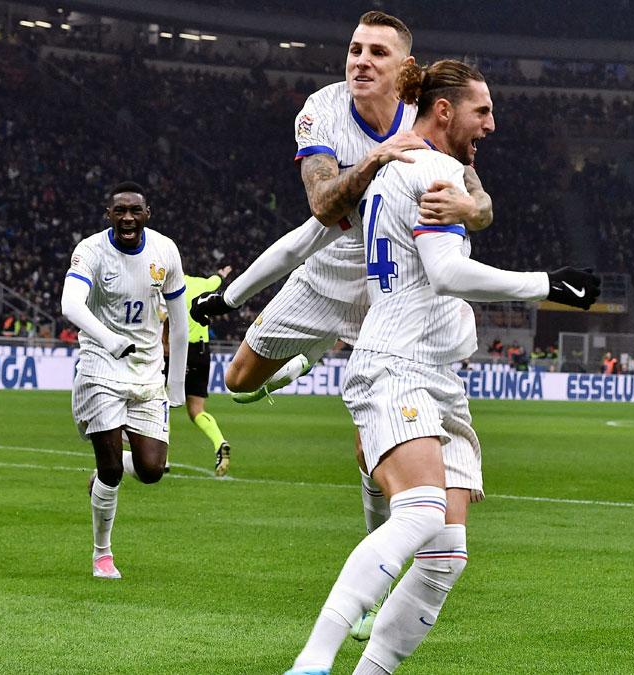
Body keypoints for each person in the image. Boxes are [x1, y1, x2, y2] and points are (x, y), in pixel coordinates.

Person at [284, 59, 600, 675]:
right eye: (482, 111)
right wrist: (549, 284)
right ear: (446, 111)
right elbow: (447, 273)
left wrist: (477, 210)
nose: (492, 123)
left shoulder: (416, 168)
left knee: (445, 555)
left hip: (438, 375)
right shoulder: (429, 168)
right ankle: (313, 660)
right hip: (397, 361)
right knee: (423, 508)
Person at [191, 11, 492, 639]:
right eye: (354, 49)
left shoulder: (431, 118)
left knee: (374, 449)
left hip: (393, 289)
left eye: (377, 53)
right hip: (326, 267)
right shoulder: (322, 110)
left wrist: (469, 206)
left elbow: (481, 201)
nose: (360, 61)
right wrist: (380, 156)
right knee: (241, 380)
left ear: (405, 70)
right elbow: (324, 204)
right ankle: (311, 357)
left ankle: (376, 578)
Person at [61, 181, 188, 580]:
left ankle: (106, 467)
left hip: (148, 371)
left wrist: (177, 386)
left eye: (135, 210)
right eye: (120, 211)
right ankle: (103, 554)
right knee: (112, 470)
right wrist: (109, 340)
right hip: (100, 366)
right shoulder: (91, 250)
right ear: (108, 215)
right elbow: (69, 304)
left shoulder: (165, 251)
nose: (128, 217)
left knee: (152, 469)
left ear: (147, 213)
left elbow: (180, 324)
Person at [166, 267, 233, 476]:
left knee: (161, 404)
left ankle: (162, 457)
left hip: (180, 351)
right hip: (203, 351)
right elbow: (217, 280)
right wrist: (222, 273)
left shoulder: (171, 287)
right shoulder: (203, 284)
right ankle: (219, 442)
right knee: (197, 409)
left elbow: (162, 316)